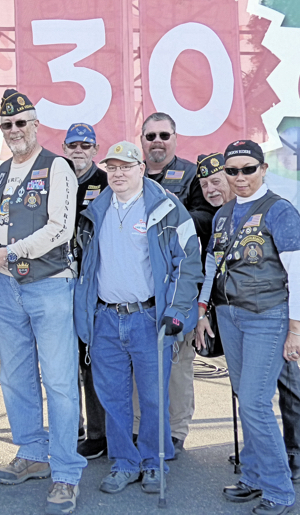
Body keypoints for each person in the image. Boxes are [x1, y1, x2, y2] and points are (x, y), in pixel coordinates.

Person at [0, 89, 85, 515]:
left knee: (58, 380)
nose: (14, 130)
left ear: (36, 125)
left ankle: (67, 471)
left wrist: (9, 253)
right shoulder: (3, 170)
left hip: (49, 284)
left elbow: (60, 228)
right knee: (17, 376)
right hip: (8, 287)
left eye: (21, 122)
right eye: (7, 124)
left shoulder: (57, 167)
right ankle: (33, 453)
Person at [74, 141, 202, 496]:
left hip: (148, 318)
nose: (118, 174)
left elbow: (188, 261)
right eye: (112, 168)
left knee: (153, 398)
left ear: (140, 169)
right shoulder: (95, 209)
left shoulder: (166, 207)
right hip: (105, 318)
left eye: (125, 167)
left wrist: (176, 310)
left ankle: (153, 462)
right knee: (113, 399)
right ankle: (124, 463)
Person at [199, 140, 300, 515]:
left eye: (248, 169)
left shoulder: (279, 210)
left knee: (254, 402)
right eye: (232, 171)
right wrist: (202, 310)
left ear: (263, 169)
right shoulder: (223, 214)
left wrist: (295, 329)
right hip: (229, 316)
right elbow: (212, 265)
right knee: (245, 399)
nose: (240, 177)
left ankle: (279, 490)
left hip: (267, 316)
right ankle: (254, 475)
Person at [140, 111, 214, 455]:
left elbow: (207, 216)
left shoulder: (191, 174)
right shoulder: (133, 172)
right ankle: (143, 429)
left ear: (174, 138)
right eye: (151, 136)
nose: (157, 141)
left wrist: (168, 220)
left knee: (178, 363)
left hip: (177, 282)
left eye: (164, 135)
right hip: (141, 285)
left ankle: (176, 430)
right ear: (142, 140)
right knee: (140, 363)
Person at [61, 123, 109, 461]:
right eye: (73, 145)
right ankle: (72, 426)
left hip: (95, 284)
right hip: (59, 281)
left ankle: (98, 433)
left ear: (95, 149)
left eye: (85, 145)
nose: (79, 151)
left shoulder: (106, 182)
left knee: (93, 361)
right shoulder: (57, 178)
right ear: (65, 148)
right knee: (64, 361)